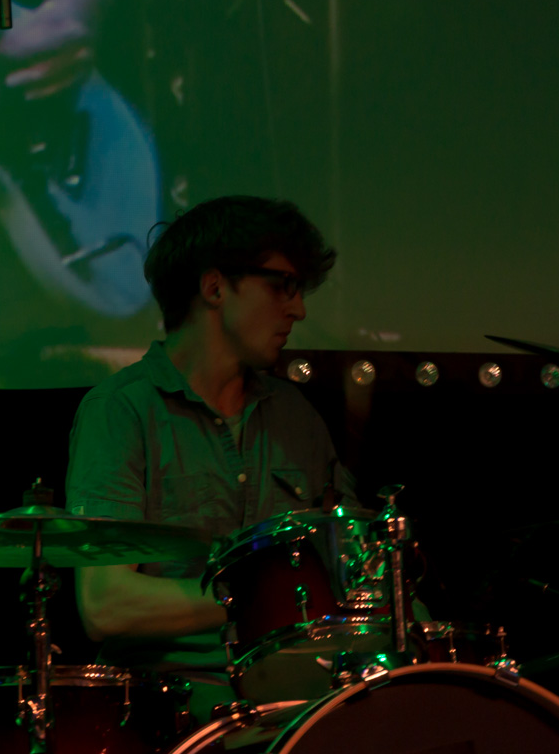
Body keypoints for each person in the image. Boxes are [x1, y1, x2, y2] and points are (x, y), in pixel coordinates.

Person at [65, 195, 358, 720]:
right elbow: (105, 604)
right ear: (215, 287)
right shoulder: (121, 411)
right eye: (282, 285)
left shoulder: (297, 417)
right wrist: (256, 602)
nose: (298, 309)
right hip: (169, 707)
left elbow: (357, 567)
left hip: (298, 698)